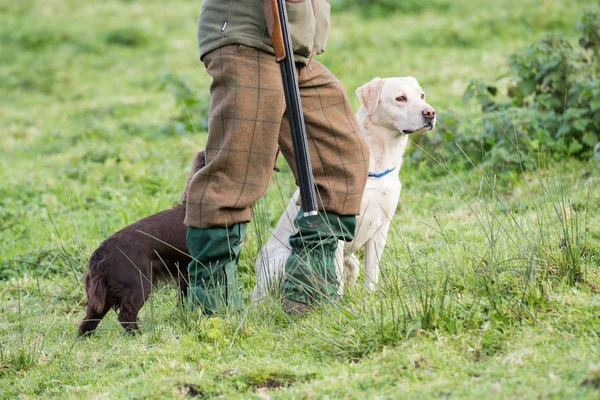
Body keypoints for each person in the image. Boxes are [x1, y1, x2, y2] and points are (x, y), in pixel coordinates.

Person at [184, 0, 369, 315]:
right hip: (248, 40)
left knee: (341, 153)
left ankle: (309, 293)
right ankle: (213, 309)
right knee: (237, 170)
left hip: (294, 47)